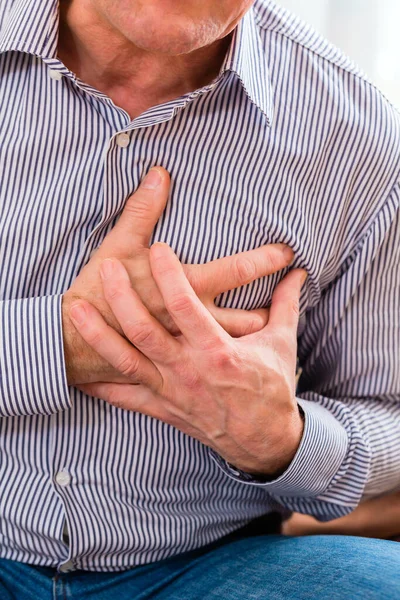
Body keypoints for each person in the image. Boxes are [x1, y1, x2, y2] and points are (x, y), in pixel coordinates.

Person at [0, 0, 399, 598]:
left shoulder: (360, 140)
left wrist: (284, 439)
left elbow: (387, 410)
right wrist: (60, 344)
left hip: (204, 565)